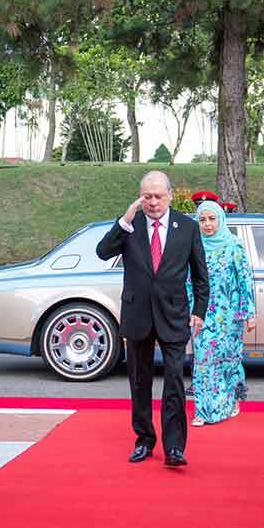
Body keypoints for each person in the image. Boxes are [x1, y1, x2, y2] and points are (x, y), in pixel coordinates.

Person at [96, 170, 209, 468]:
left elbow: (200, 276)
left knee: (173, 380)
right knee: (139, 382)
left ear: (170, 196)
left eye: (158, 196)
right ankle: (144, 440)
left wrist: (199, 311)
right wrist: (124, 220)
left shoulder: (187, 227)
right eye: (147, 196)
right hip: (137, 315)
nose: (153, 202)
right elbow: (103, 252)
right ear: (139, 198)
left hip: (174, 315)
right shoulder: (129, 227)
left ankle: (174, 448)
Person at [187, 200, 254, 426]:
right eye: (202, 220)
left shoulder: (234, 245)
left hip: (229, 316)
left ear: (220, 220)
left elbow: (245, 281)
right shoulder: (194, 246)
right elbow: (189, 282)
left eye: (211, 219)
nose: (207, 224)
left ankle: (232, 401)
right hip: (202, 314)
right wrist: (189, 309)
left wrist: (249, 313)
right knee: (204, 361)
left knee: (229, 361)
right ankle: (204, 411)